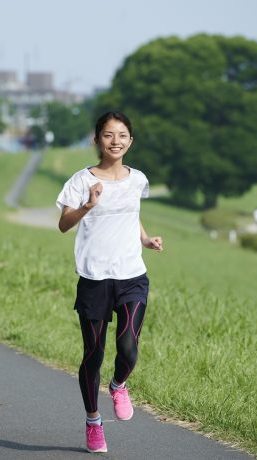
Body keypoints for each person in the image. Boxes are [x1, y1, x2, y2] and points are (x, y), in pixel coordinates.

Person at [56, 111, 163, 453]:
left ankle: (119, 384)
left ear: (130, 140)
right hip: (94, 277)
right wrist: (88, 205)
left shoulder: (138, 179)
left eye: (121, 135)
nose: (115, 141)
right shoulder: (81, 180)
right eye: (107, 135)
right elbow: (63, 224)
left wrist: (145, 239)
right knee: (94, 353)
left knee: (128, 349)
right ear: (97, 140)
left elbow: (132, 215)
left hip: (131, 276)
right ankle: (92, 421)